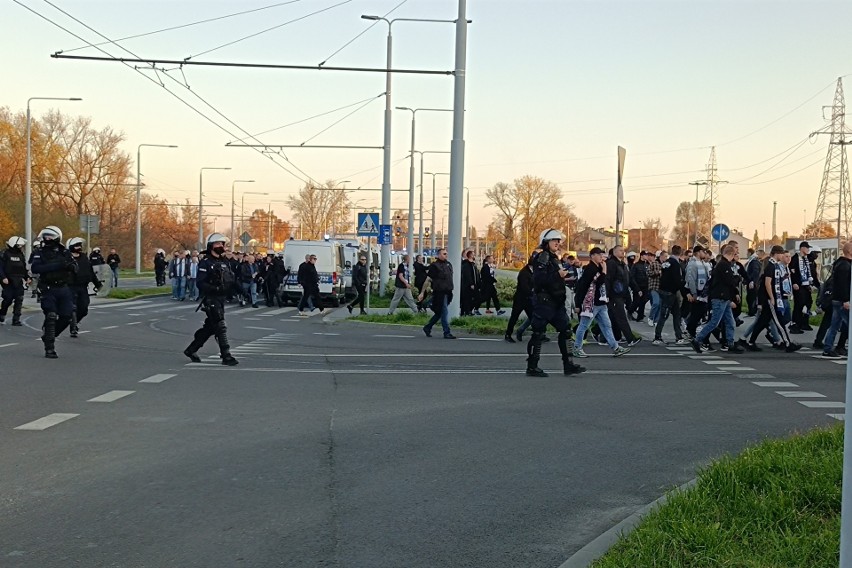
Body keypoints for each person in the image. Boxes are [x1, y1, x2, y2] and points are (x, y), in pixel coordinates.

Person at [525, 228, 587, 377]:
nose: (558, 243)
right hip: (544, 302)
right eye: (554, 240)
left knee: (566, 330)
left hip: (556, 302)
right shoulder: (542, 257)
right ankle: (532, 366)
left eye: (558, 241)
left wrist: (561, 276)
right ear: (546, 242)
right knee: (538, 333)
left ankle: (568, 364)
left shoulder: (554, 258)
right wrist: (556, 275)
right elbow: (539, 280)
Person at [183, 234, 239, 366]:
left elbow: (231, 280)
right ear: (211, 246)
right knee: (220, 326)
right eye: (218, 244)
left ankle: (191, 349)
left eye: (223, 244)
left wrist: (241, 291)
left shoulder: (224, 261)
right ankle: (226, 356)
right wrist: (215, 289)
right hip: (211, 298)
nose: (221, 246)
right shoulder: (206, 262)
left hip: (221, 298)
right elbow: (200, 283)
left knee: (210, 328)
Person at [572, 247, 631, 359]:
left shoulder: (599, 267)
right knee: (584, 325)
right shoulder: (590, 269)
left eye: (601, 255)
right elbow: (590, 285)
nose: (601, 257)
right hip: (591, 303)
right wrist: (578, 304)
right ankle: (577, 348)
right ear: (592, 256)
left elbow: (603, 284)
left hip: (600, 302)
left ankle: (615, 347)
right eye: (598, 255)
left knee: (607, 326)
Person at [30, 226, 76, 359]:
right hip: (48, 288)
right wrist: (58, 265)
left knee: (67, 316)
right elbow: (36, 268)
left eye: (49, 236)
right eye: (45, 236)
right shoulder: (40, 252)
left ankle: (49, 335)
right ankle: (50, 347)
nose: (46, 239)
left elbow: (74, 266)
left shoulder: (64, 252)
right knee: (51, 315)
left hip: (63, 288)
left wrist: (72, 266)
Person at [744, 245, 800, 353]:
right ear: (777, 253)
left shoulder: (774, 265)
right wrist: (772, 297)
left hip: (772, 298)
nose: (782, 256)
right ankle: (788, 343)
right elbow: (767, 283)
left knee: (762, 322)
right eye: (781, 254)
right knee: (779, 322)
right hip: (771, 299)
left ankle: (750, 341)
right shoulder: (771, 266)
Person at [691, 244, 744, 354]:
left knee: (730, 322)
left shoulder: (723, 264)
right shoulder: (724, 265)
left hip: (723, 297)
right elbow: (729, 281)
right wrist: (737, 280)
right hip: (720, 297)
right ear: (731, 254)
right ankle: (697, 339)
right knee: (714, 322)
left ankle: (730, 343)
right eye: (735, 254)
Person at [66, 237, 102, 337]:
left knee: (84, 308)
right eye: (77, 245)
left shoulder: (84, 258)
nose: (79, 247)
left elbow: (90, 272)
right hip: (70, 287)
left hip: (82, 287)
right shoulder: (66, 258)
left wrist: (97, 284)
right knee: (72, 308)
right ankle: (73, 328)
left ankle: (75, 322)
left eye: (80, 245)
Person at [822, 242, 852, 358]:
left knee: (834, 325)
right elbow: (843, 285)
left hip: (836, 299)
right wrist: (846, 300)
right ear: (849, 251)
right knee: (847, 325)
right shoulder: (845, 266)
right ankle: (833, 347)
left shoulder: (840, 264)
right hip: (842, 301)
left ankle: (828, 348)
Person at [653, 245, 688, 345]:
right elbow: (677, 280)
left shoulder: (666, 263)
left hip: (664, 290)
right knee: (664, 315)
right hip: (670, 292)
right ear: (680, 253)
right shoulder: (676, 264)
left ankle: (679, 336)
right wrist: (685, 291)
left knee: (677, 313)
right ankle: (657, 337)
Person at [418, 248, 456, 339]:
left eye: (446, 254)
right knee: (444, 311)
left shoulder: (448, 264)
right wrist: (422, 292)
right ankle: (446, 332)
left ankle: (428, 327)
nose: (446, 255)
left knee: (440, 313)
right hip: (439, 293)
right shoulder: (434, 266)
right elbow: (428, 280)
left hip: (448, 292)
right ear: (439, 255)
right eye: (443, 254)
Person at [605, 245, 638, 345]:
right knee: (621, 317)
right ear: (614, 252)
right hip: (614, 295)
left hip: (622, 294)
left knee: (612, 317)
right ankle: (630, 339)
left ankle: (603, 336)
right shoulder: (611, 263)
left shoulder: (622, 264)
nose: (622, 252)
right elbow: (608, 279)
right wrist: (606, 294)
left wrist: (636, 288)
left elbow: (629, 278)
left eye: (623, 251)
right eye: (620, 250)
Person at [0, 236, 29, 326]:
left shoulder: (21, 255)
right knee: (7, 299)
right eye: (20, 246)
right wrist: (3, 278)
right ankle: (2, 314)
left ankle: (16, 319)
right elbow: (0, 268)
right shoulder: (4, 254)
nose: (22, 247)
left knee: (19, 299)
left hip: (18, 280)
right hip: (8, 281)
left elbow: (23, 268)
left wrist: (27, 277)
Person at [505, 257, 534, 343]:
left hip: (528, 299)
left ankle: (537, 334)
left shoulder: (532, 271)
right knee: (514, 317)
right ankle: (508, 334)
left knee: (533, 317)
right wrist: (532, 292)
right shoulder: (524, 273)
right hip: (520, 299)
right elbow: (524, 287)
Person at [789, 241, 815, 332]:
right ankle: (795, 324)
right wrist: (794, 282)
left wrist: (810, 283)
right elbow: (791, 271)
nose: (808, 250)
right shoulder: (795, 258)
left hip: (806, 285)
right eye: (807, 248)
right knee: (799, 304)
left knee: (808, 302)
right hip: (798, 285)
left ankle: (804, 323)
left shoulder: (806, 259)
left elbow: (808, 272)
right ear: (802, 248)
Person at [629, 251, 650, 322]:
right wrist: (637, 289)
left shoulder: (647, 265)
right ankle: (630, 311)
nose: (647, 256)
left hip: (645, 286)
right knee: (636, 302)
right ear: (642, 256)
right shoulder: (636, 265)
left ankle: (640, 317)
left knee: (643, 302)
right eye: (645, 255)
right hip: (638, 286)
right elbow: (632, 277)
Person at [460, 250, 481, 316]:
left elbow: (476, 274)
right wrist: (471, 283)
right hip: (468, 285)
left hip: (475, 284)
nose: (474, 255)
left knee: (476, 298)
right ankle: (466, 312)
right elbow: (468, 275)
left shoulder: (473, 264)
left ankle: (468, 310)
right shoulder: (466, 264)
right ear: (470, 255)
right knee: (467, 299)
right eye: (473, 254)